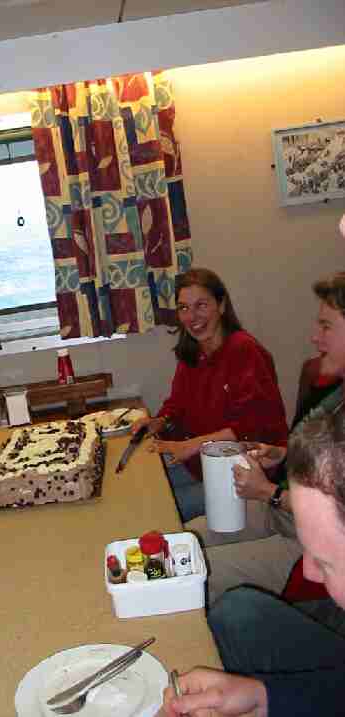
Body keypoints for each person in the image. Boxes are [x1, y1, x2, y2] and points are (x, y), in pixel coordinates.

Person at [155, 406, 345, 717]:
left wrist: (270, 492)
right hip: (282, 514)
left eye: (326, 563)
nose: (311, 571)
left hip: (283, 513)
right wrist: (262, 698)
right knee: (194, 557)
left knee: (203, 577)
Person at [187, 272, 345, 604]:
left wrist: (268, 493)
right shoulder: (334, 390)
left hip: (313, 542)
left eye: (326, 326)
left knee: (194, 573)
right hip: (284, 513)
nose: (314, 336)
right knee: (183, 541)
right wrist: (280, 454)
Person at [131, 268, 288, 522]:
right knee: (141, 486)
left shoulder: (244, 350)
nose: (192, 317)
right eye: (183, 308)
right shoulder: (193, 351)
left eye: (201, 305)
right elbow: (177, 404)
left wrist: (190, 446)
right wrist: (159, 421)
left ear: (221, 305)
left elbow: (250, 427)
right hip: (200, 463)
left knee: (155, 511)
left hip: (245, 472)